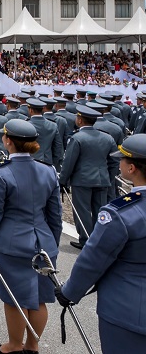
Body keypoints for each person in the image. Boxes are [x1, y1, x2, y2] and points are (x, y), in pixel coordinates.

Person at [0, 120, 62, 354]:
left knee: (14, 298)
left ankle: (14, 345)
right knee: (40, 298)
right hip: (44, 242)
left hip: (11, 244)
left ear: (8, 141)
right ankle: (32, 346)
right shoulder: (48, 171)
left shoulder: (1, 174)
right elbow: (55, 215)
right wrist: (52, 242)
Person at [56, 133, 146, 353]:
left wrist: (69, 292)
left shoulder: (121, 213)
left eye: (122, 160)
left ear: (131, 168)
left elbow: (93, 259)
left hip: (128, 311)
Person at [59, 106, 118, 249]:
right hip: (102, 179)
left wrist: (62, 180)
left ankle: (86, 239)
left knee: (83, 211)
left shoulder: (77, 138)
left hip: (82, 180)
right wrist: (108, 177)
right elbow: (114, 161)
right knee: (100, 210)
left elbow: (69, 162)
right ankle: (99, 238)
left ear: (79, 120)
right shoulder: (107, 137)